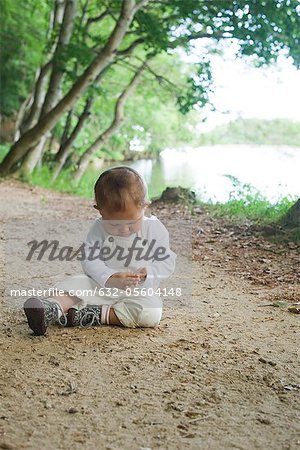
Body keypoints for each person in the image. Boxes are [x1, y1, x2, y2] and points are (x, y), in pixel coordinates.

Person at [23, 166, 177, 335]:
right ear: (100, 211)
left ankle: (94, 315)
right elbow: (90, 258)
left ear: (145, 206)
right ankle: (49, 308)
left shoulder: (154, 228)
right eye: (113, 224)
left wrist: (150, 273)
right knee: (74, 286)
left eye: (131, 223)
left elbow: (166, 261)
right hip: (100, 285)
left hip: (138, 292)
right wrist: (109, 277)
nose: (124, 230)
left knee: (150, 312)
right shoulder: (98, 228)